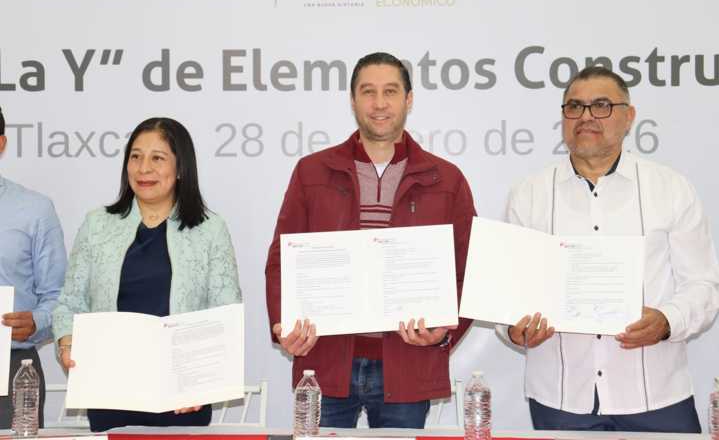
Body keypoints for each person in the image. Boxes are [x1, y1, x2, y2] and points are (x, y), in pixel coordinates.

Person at [500, 66, 719, 432]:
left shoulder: (670, 188)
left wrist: (667, 321)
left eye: (601, 105)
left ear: (628, 116)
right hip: (561, 397)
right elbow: (507, 292)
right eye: (574, 106)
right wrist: (513, 329)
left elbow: (703, 286)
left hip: (655, 392)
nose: (586, 116)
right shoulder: (529, 194)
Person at [265, 52, 476, 428]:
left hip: (408, 365)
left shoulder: (446, 179)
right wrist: (285, 327)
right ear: (352, 100)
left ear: (408, 100)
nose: (379, 103)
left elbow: (471, 270)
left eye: (390, 92)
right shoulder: (312, 172)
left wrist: (444, 332)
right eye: (368, 92)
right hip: (325, 360)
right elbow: (282, 260)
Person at [53, 117, 242, 432]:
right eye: (136, 156)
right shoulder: (97, 224)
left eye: (157, 158)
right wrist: (67, 343)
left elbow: (225, 313)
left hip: (184, 396)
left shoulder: (210, 229)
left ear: (180, 168)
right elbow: (70, 301)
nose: (143, 168)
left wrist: (204, 382)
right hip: (110, 391)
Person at [0, 106, 66, 428]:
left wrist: (37, 321)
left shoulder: (35, 210)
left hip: (12, 368)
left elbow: (61, 297)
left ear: (0, 144)